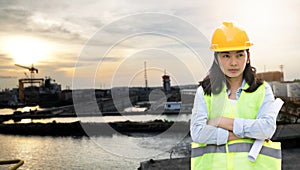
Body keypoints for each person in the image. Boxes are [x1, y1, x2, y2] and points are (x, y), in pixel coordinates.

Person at [190, 22, 281, 170]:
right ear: (216, 58)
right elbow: (198, 133)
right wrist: (249, 134)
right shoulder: (205, 91)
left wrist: (219, 121)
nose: (234, 63)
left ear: (248, 56)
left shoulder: (262, 90)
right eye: (226, 55)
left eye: (239, 55)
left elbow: (267, 129)